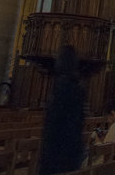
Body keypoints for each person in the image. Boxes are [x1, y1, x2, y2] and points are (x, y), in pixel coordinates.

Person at [39, 46, 85, 175]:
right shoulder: (78, 86)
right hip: (72, 151)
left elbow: (54, 123)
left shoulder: (62, 87)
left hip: (57, 151)